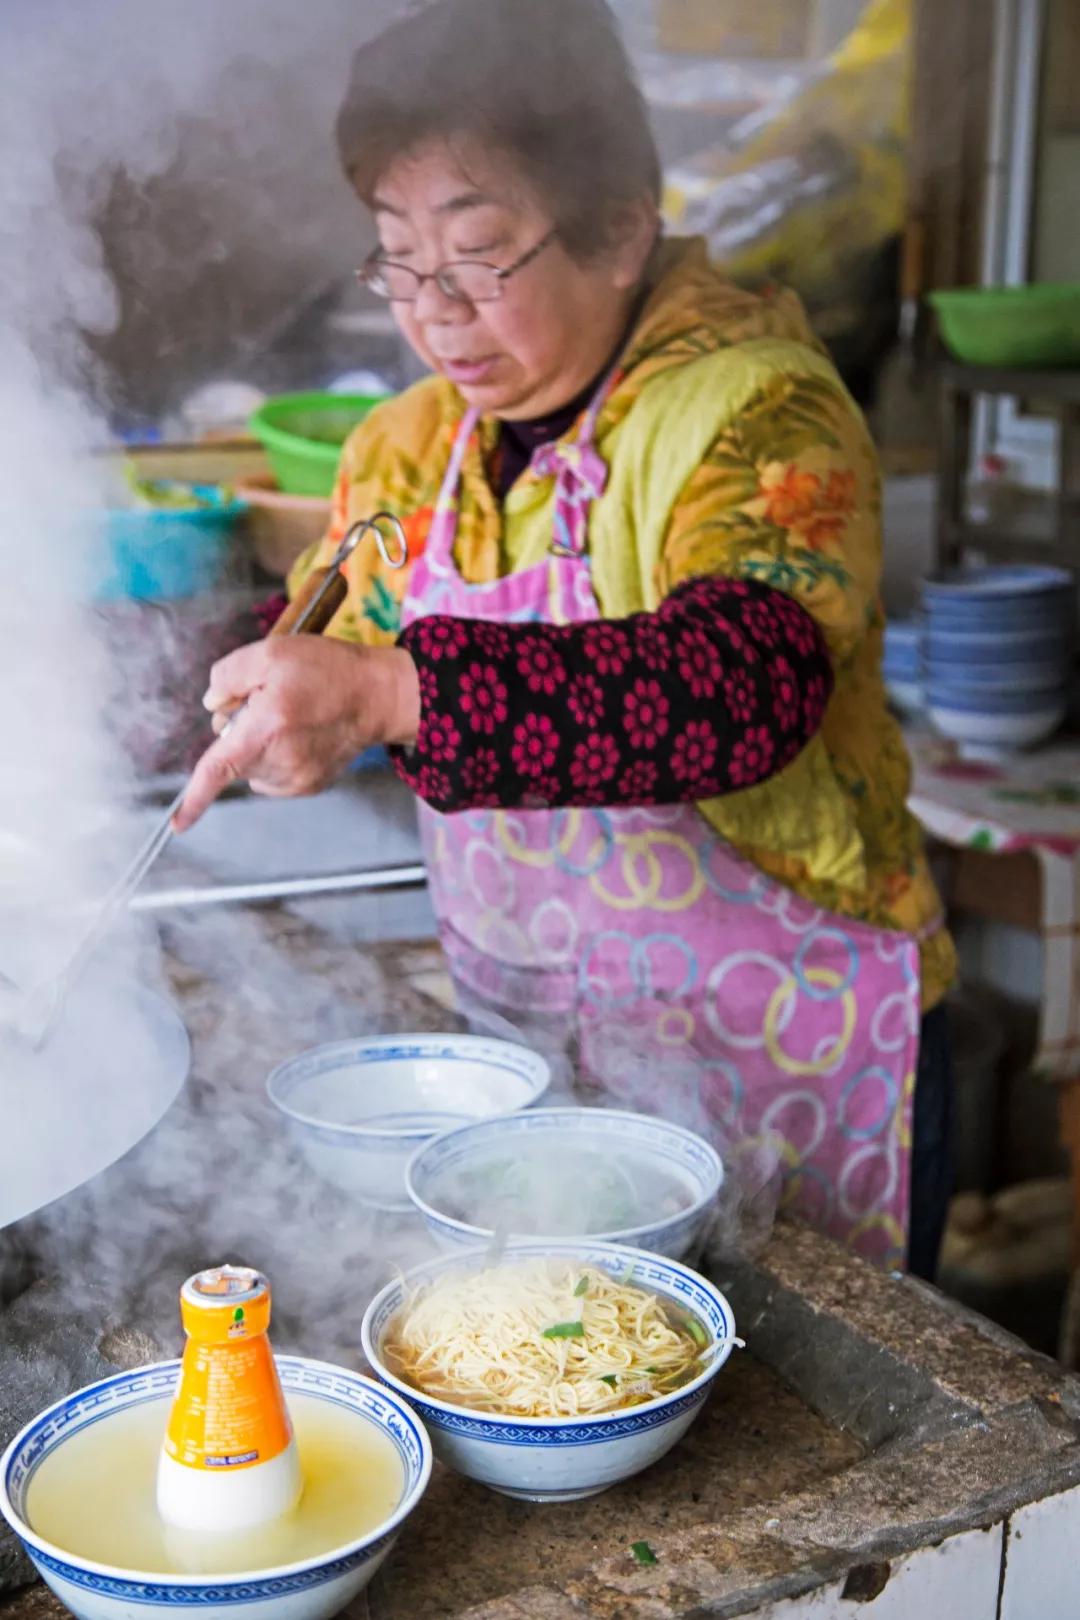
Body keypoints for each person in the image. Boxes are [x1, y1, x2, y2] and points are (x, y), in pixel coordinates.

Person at [175, 0, 956, 1278]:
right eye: (399, 261)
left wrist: (388, 696)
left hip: (784, 1064)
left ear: (621, 228)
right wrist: (197, 692)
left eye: (479, 258)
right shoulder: (408, 448)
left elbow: (739, 688)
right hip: (541, 1068)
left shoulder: (758, 408)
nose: (435, 315)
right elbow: (318, 635)